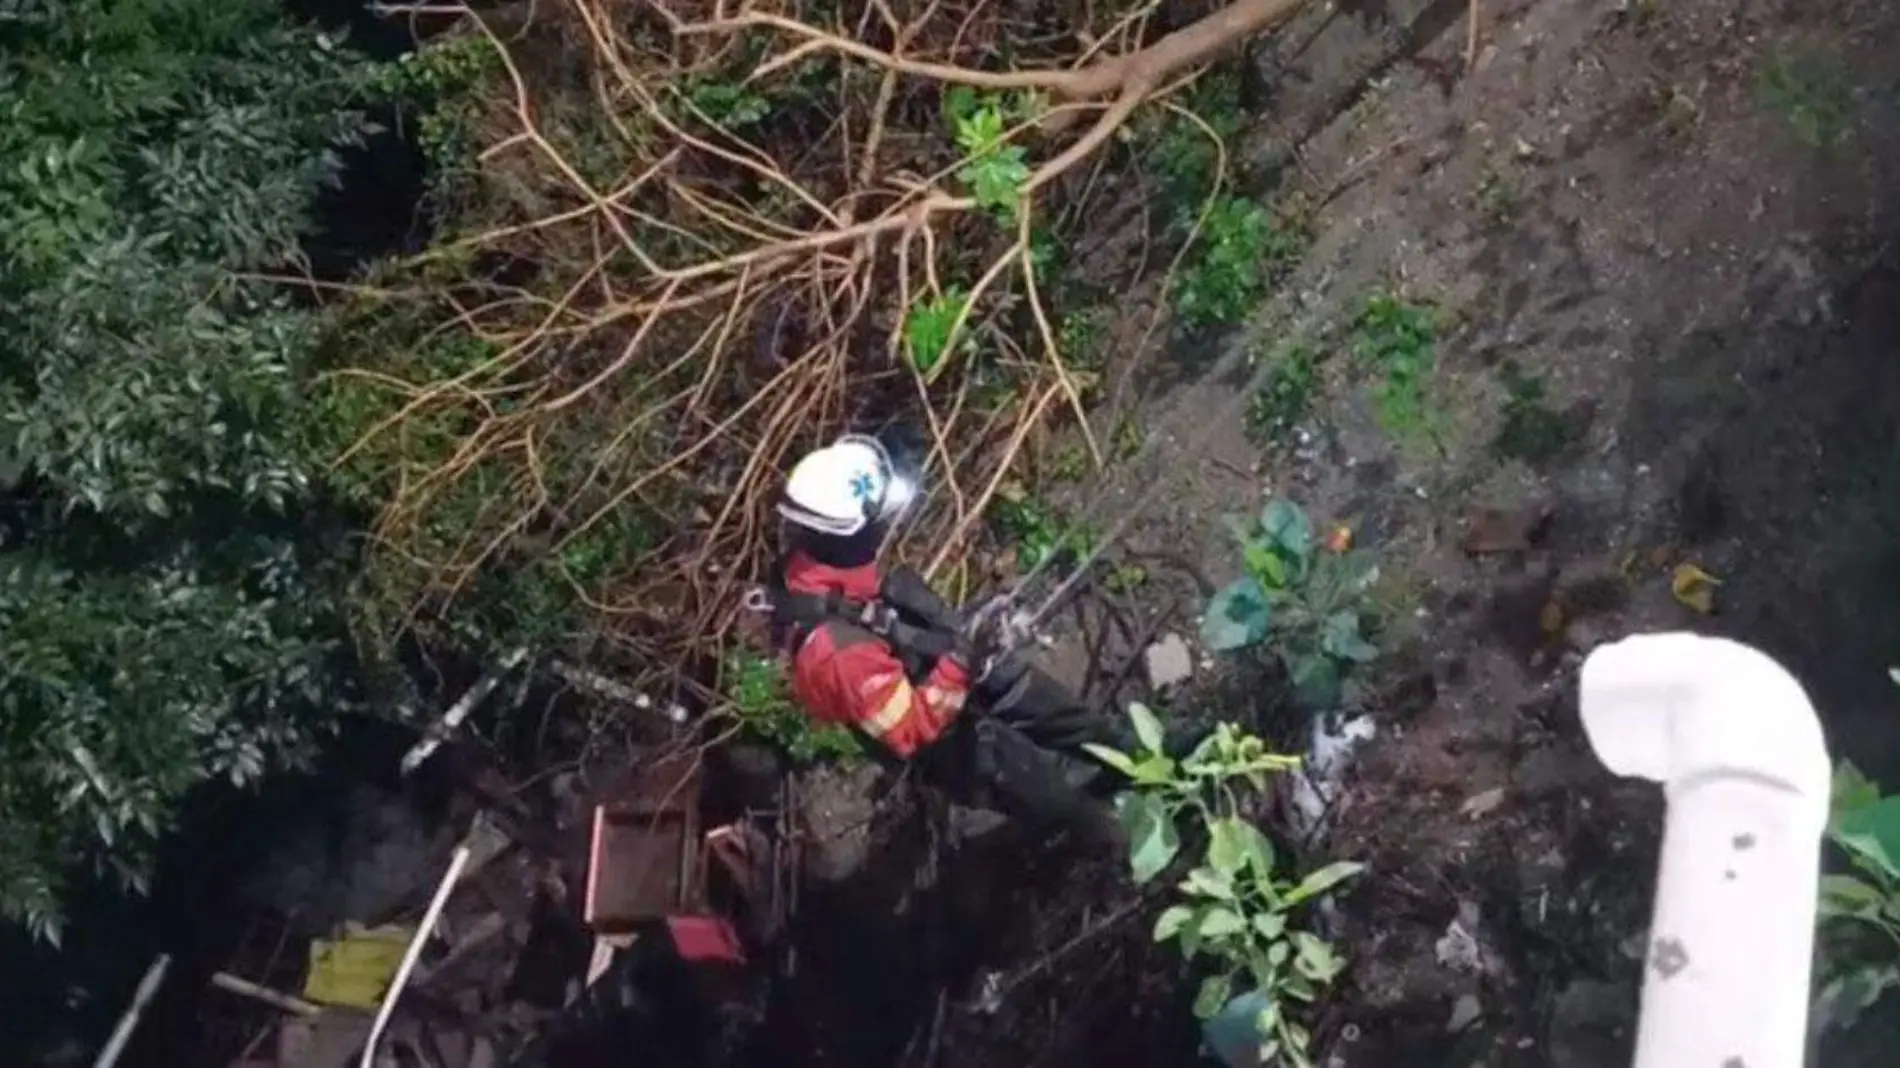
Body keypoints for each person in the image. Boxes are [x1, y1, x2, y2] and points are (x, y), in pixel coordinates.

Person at [759, 433, 1128, 843]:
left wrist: (973, 639)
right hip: (938, 730)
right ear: (852, 533)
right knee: (1051, 799)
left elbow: (891, 621)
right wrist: (963, 659)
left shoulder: (824, 567)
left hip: (931, 664)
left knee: (1048, 707)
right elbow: (912, 730)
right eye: (879, 519)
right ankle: (1105, 842)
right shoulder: (838, 656)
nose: (885, 527)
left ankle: (1133, 755)